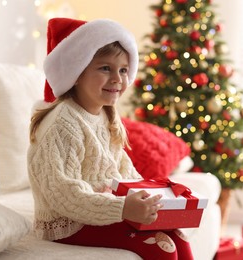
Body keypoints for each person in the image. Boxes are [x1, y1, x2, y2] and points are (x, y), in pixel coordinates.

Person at [27, 17, 194, 260]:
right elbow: (62, 195)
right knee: (161, 246)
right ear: (77, 72)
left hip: (103, 208)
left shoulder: (106, 114)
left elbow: (123, 170)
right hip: (70, 222)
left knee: (177, 232)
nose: (118, 78)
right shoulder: (63, 123)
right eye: (105, 68)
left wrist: (151, 199)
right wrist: (123, 208)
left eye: (124, 70)